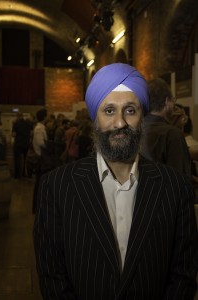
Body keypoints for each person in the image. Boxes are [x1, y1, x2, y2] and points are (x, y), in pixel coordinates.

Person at [33, 63, 198, 300]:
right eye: (109, 111)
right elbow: (52, 275)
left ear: (142, 117)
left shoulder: (174, 187)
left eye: (130, 110)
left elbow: (184, 272)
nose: (120, 122)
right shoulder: (57, 187)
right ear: (95, 119)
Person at [140, 78, 191, 177]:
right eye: (173, 100)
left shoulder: (135, 130)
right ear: (167, 102)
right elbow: (181, 180)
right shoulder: (172, 134)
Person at [12, 112, 33, 178]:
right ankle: (24, 173)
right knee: (25, 160)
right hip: (26, 144)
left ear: (18, 117)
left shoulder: (16, 124)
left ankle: (17, 175)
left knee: (17, 160)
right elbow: (32, 134)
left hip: (18, 144)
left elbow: (13, 134)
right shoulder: (28, 124)